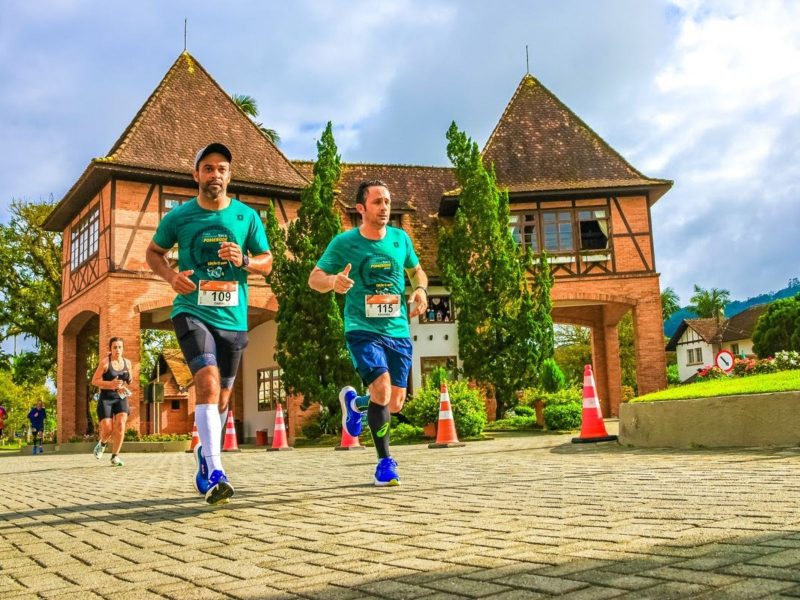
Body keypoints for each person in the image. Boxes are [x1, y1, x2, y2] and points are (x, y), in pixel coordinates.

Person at [146, 142, 273, 505]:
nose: (215, 174)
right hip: (191, 310)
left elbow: (268, 260)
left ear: (229, 176)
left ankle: (205, 455)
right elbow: (153, 253)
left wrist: (247, 260)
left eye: (221, 169)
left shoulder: (246, 217)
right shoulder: (179, 217)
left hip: (233, 317)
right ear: (196, 175)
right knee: (207, 381)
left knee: (222, 399)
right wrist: (171, 277)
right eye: (208, 168)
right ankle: (217, 470)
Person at [308, 179, 428, 486]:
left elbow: (416, 271)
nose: (385, 207)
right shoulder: (344, 243)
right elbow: (314, 278)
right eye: (377, 202)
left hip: (397, 329)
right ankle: (385, 462)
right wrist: (333, 281)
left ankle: (355, 404)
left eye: (387, 201)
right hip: (363, 329)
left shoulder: (401, 239)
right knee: (383, 387)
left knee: (395, 402)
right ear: (361, 208)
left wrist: (421, 291)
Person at [90, 337, 133, 466]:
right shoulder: (105, 363)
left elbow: (130, 379)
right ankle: (102, 443)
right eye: (115, 347)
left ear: (123, 348)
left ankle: (115, 456)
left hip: (121, 397)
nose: (117, 350)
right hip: (106, 398)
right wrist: (111, 384)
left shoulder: (128, 363)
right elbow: (94, 381)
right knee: (108, 429)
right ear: (110, 349)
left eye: (120, 347)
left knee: (121, 425)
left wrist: (129, 379)